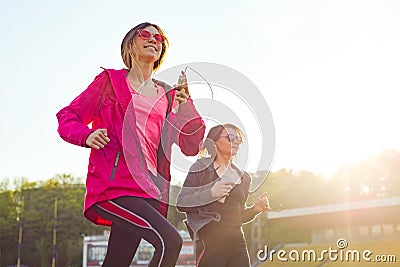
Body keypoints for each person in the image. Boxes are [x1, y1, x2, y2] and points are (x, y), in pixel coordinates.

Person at [56, 22, 205, 267]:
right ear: (130, 44)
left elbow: (191, 145)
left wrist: (186, 103)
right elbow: (68, 116)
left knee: (117, 261)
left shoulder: (167, 96)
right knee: (170, 241)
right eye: (145, 34)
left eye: (160, 39)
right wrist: (86, 135)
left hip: (148, 191)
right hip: (114, 187)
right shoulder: (109, 82)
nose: (153, 40)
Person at [177, 123, 270, 267]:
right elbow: (181, 202)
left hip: (237, 241)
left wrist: (254, 210)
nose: (236, 143)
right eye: (230, 138)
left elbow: (238, 216)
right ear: (214, 142)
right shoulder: (200, 169)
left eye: (238, 140)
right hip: (210, 240)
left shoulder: (244, 178)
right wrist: (210, 193)